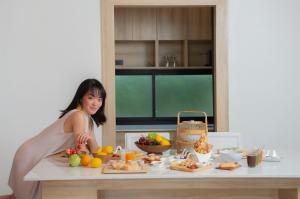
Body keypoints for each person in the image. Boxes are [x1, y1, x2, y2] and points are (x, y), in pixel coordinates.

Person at [7, 78, 106, 199]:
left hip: (36, 156)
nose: (96, 103)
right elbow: (81, 152)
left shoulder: (88, 119)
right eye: (91, 98)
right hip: (30, 156)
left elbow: (96, 152)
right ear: (81, 98)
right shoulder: (78, 115)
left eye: (99, 99)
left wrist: (90, 138)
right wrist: (87, 147)